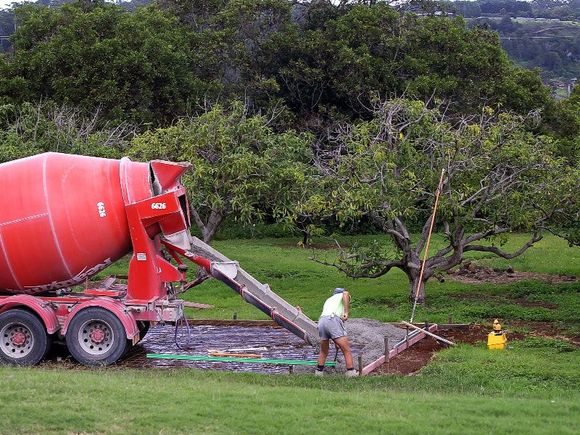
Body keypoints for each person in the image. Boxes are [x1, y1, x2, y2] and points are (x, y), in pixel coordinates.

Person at [315, 287, 358, 377]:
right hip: (332, 319)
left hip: (321, 321)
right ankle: (351, 372)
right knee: (346, 350)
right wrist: (346, 312)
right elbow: (346, 294)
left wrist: (336, 342)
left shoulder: (329, 300)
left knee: (323, 351)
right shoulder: (342, 295)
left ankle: (319, 372)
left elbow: (332, 331)